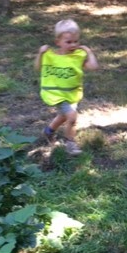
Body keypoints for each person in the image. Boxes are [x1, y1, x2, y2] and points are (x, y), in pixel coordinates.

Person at [35, 19, 99, 155]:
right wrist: (40, 54)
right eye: (68, 42)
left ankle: (48, 131)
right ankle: (70, 143)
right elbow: (38, 67)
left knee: (64, 116)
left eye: (76, 41)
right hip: (57, 94)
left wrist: (89, 52)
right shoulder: (50, 56)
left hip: (72, 94)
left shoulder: (77, 57)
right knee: (72, 117)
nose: (73, 45)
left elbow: (93, 67)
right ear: (58, 42)